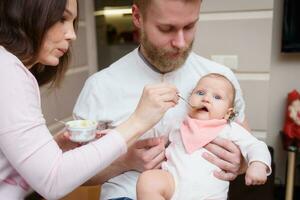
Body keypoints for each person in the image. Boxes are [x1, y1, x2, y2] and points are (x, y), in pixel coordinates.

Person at [0, 0, 179, 199]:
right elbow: (53, 181)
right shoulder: (7, 72)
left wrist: (54, 148)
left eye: (73, 22)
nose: (72, 34)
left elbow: (22, 170)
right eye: (62, 19)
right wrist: (137, 122)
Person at [73, 0, 249, 199]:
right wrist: (125, 161)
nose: (181, 43)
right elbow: (72, 172)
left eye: (190, 26)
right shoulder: (100, 86)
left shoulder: (221, 80)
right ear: (137, 17)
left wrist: (240, 162)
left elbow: (247, 152)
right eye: (166, 29)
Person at [136, 73, 272, 200]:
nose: (206, 99)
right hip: (172, 184)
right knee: (148, 180)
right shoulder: (178, 123)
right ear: (189, 100)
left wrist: (258, 165)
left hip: (209, 195)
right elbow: (153, 137)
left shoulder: (228, 129)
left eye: (217, 97)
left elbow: (256, 145)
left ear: (227, 113)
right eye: (200, 93)